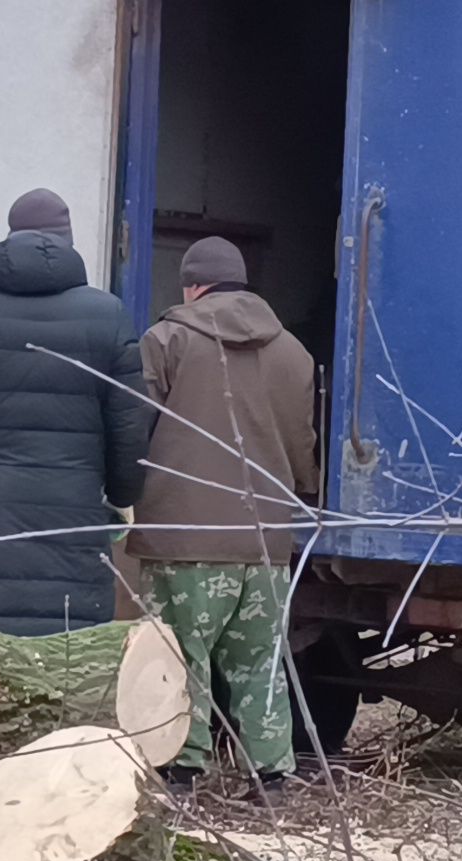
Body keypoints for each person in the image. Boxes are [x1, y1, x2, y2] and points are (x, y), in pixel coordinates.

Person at [0, 188, 152, 635]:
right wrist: (122, 494)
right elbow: (129, 424)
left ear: (10, 237)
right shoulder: (109, 314)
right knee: (71, 664)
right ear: (69, 241)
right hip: (75, 522)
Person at [127, 237, 318, 797]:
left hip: (182, 538)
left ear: (192, 285)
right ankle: (273, 775)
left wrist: (124, 493)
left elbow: (136, 429)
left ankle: (184, 770)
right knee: (260, 662)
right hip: (264, 539)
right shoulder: (294, 353)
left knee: (180, 657)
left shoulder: (166, 340)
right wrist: (299, 495)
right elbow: (301, 445)